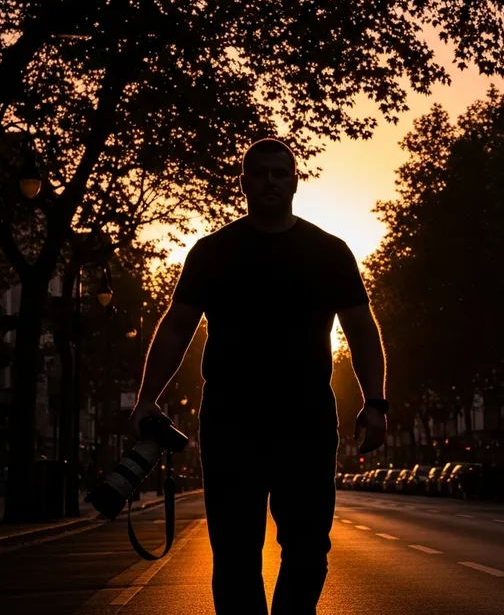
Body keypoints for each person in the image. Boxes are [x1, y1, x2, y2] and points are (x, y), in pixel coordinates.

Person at [129, 137, 388, 615]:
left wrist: (376, 403)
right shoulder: (212, 252)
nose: (270, 180)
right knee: (234, 555)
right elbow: (176, 327)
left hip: (306, 420)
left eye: (279, 173)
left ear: (295, 181)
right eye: (260, 173)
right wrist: (146, 400)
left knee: (308, 551)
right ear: (244, 182)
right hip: (230, 422)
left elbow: (362, 331)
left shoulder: (330, 252)